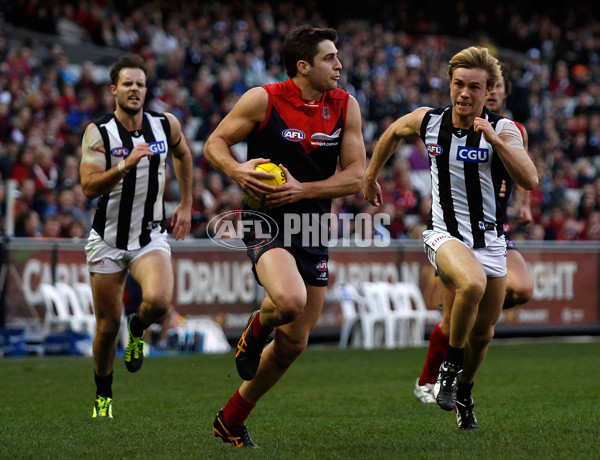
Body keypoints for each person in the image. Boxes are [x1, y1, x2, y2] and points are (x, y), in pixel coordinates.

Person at [203, 25, 366, 448]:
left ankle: (231, 419)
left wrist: (304, 190)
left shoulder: (346, 106)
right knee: (289, 301)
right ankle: (255, 332)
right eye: (331, 58)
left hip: (312, 226)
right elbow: (215, 143)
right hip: (266, 221)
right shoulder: (264, 99)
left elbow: (355, 176)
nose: (339, 65)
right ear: (303, 66)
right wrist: (237, 170)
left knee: (294, 343)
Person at [363, 46, 538, 430]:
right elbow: (393, 131)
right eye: (458, 84)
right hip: (444, 234)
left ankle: (464, 390)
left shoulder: (504, 129)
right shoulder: (430, 121)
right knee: (471, 284)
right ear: (449, 84)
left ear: (488, 89)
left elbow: (530, 179)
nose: (464, 93)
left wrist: (495, 139)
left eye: (474, 87)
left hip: (491, 241)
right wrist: (370, 174)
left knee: (484, 333)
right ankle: (448, 369)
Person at [79, 54, 193, 419]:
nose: (135, 90)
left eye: (140, 84)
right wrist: (125, 164)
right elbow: (87, 186)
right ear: (114, 90)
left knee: (159, 302)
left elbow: (184, 155)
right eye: (127, 84)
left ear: (146, 89)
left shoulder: (165, 124)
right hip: (108, 239)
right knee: (106, 326)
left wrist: (187, 204)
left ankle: (139, 327)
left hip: (148, 236)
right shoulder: (99, 133)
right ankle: (103, 397)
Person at [413, 72, 535, 407]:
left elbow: (526, 172)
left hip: (494, 229)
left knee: (519, 291)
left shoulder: (507, 130)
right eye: (485, 89)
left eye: (494, 90)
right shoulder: (448, 124)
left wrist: (524, 204)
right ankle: (429, 379)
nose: (489, 95)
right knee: (458, 307)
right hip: (452, 232)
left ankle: (467, 328)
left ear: (501, 94)